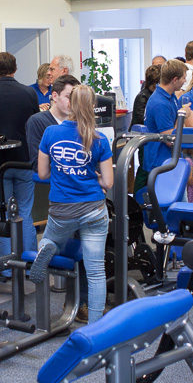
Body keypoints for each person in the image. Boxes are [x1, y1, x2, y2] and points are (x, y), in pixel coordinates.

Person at [30, 85, 113, 324]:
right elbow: (108, 182)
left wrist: (62, 171)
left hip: (62, 209)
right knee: (96, 272)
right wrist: (94, 176)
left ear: (70, 104)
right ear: (92, 107)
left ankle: (48, 246)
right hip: (94, 209)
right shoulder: (99, 139)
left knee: (51, 238)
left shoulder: (51, 133)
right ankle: (95, 325)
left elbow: (42, 174)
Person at [0, 52, 40, 263]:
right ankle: (29, 262)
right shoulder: (29, 93)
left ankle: (4, 265)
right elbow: (33, 124)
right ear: (15, 68)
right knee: (25, 212)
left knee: (3, 213)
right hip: (24, 160)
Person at [142, 60, 193, 189]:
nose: (185, 81)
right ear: (175, 79)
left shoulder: (170, 97)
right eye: (183, 78)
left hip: (171, 160)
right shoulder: (160, 103)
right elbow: (170, 139)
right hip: (161, 163)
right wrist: (182, 116)